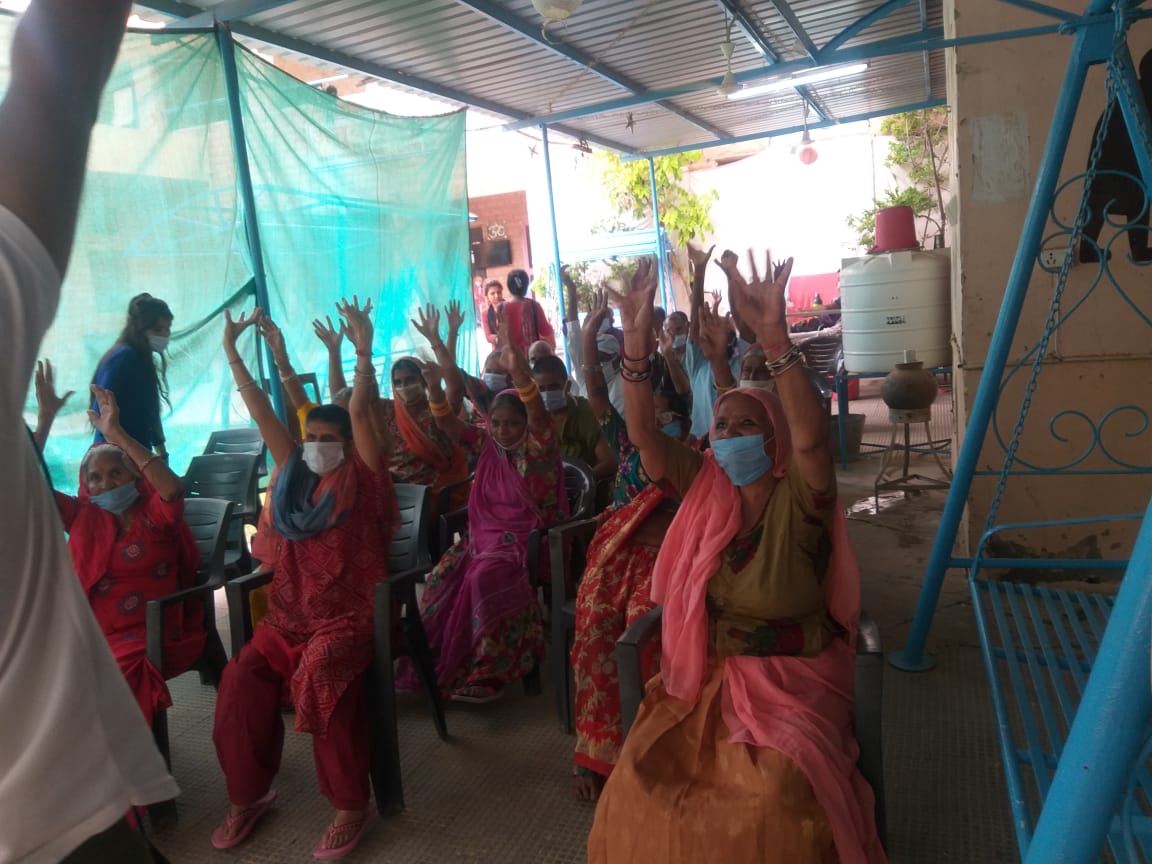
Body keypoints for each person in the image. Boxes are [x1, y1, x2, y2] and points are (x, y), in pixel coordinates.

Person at [587, 257, 885, 863]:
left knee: (768, 802)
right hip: (708, 680)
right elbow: (643, 435)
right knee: (644, 783)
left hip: (794, 681)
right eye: (720, 426)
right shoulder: (707, 486)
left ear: (771, 442)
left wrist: (774, 340)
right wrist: (637, 343)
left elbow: (810, 440)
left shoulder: (800, 498)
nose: (727, 436)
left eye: (745, 426)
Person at [0, 3, 180, 861]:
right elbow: (52, 80)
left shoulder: (125, 374)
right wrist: (114, 443)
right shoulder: (118, 367)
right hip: (57, 826)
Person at [211, 300, 397, 859]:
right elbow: (264, 411)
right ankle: (249, 795)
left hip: (348, 619)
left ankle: (349, 805)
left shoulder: (365, 479)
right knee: (240, 676)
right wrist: (234, 355)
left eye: (327, 438)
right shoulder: (293, 477)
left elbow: (362, 415)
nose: (317, 446)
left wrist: (362, 356)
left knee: (321, 671)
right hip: (290, 619)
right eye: (310, 436)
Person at [400, 311, 563, 704]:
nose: (504, 429)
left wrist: (519, 372)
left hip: (523, 542)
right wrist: (437, 368)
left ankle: (490, 673)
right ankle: (447, 660)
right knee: (439, 579)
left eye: (511, 423)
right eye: (498, 423)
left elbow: (538, 414)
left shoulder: (537, 447)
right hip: (481, 541)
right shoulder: (486, 444)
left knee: (481, 579)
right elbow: (450, 427)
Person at [41, 380, 207, 728]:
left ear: (135, 476)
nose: (106, 484)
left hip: (154, 629)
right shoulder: (83, 515)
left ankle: (122, 763)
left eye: (116, 473)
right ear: (86, 486)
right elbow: (29, 487)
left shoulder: (155, 516)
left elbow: (173, 488)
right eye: (95, 478)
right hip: (93, 629)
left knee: (105, 678)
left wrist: (116, 434)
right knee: (43, 674)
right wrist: (43, 422)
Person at [91, 293, 174, 457]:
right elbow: (101, 413)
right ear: (139, 329)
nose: (165, 334)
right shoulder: (124, 357)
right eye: (157, 329)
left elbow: (151, 414)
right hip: (115, 458)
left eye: (167, 328)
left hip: (138, 455)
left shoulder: (142, 358)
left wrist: (162, 457)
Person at [531, 352, 617, 484]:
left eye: (553, 387)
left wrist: (580, 482)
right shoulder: (535, 416)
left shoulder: (584, 411)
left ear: (568, 386)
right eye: (541, 389)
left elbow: (609, 462)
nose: (547, 394)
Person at [499, 267, 555, 355]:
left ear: (509, 287)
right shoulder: (534, 306)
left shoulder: (501, 308)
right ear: (526, 286)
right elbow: (546, 331)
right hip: (531, 359)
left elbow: (500, 336)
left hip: (509, 360)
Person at [481, 278, 504, 347]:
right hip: (497, 350)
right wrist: (501, 339)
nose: (496, 296)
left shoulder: (509, 307)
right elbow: (488, 336)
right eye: (492, 293)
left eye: (499, 292)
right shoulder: (485, 313)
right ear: (487, 296)